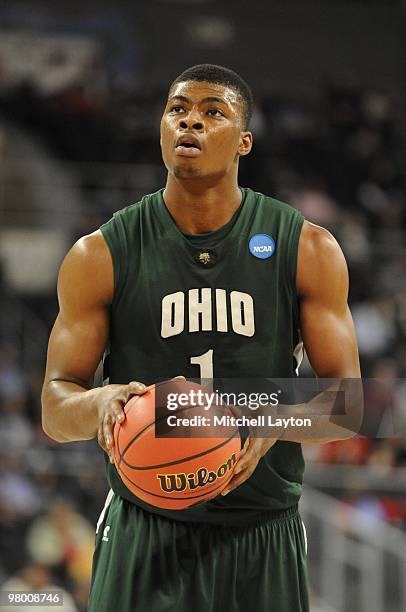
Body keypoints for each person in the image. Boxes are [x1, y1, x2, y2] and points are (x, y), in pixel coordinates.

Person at [41, 64, 361, 612]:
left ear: (244, 141)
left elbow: (349, 404)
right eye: (178, 109)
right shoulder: (100, 254)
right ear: (162, 128)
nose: (190, 120)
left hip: (261, 532)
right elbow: (54, 403)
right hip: (147, 528)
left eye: (213, 112)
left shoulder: (306, 247)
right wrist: (97, 402)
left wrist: (269, 421)